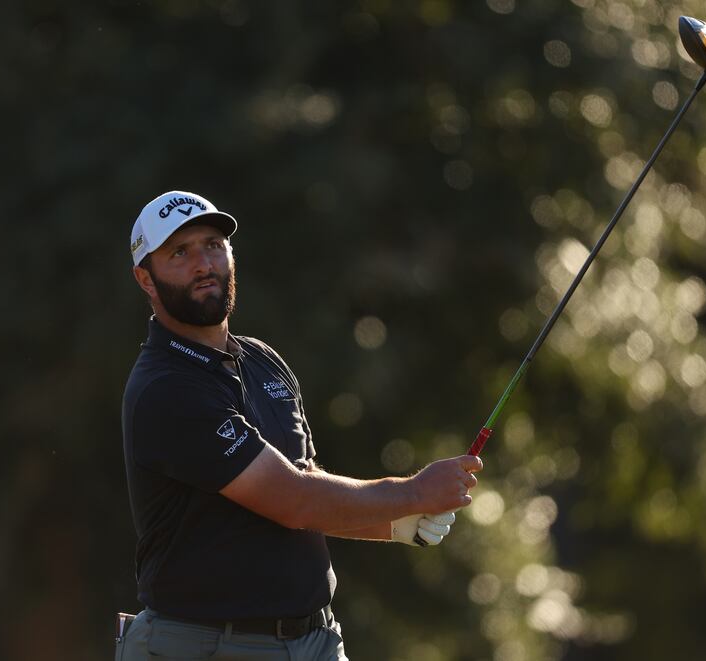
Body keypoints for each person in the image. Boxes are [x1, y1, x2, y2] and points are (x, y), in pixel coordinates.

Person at [117, 190, 483, 661]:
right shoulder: (166, 388)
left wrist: (392, 524)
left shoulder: (262, 361)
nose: (203, 263)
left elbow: (307, 481)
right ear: (145, 278)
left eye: (212, 244)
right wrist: (412, 492)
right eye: (179, 253)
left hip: (314, 642)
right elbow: (293, 501)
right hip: (205, 646)